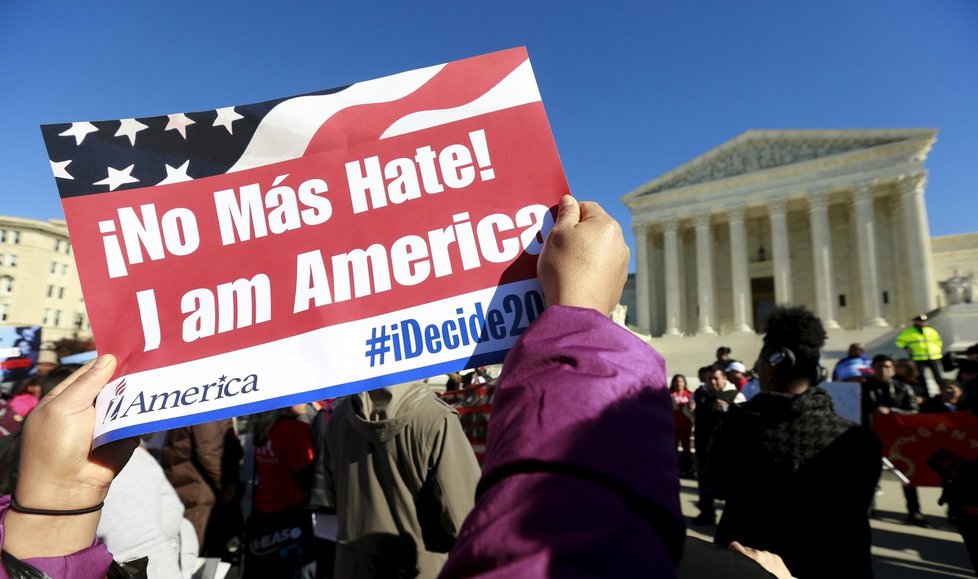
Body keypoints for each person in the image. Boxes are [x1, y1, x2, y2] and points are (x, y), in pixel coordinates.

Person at [0, 196, 790, 578]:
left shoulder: (345, 412)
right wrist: (582, 321)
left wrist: (53, 510)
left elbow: (321, 490)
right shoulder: (431, 420)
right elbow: (512, 529)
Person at [708, 306, 882, 578]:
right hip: (839, 564)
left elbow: (715, 484)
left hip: (749, 564)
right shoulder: (859, 439)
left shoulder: (739, 426)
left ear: (772, 367)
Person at [322, 378, 481, 578]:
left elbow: (333, 495)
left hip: (354, 564)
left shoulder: (338, 416)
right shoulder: (437, 418)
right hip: (419, 567)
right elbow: (466, 516)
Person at [245, 405, 317, 578]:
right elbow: (307, 476)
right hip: (292, 512)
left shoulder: (262, 428)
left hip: (265, 510)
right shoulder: (293, 430)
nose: (305, 403)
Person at [161, 418, 243, 553]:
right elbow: (208, 450)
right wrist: (226, 485)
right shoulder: (208, 407)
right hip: (200, 491)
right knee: (198, 554)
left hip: (196, 487)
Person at [692, 366, 745, 526]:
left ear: (724, 378)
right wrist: (690, 410)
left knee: (730, 482)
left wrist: (728, 409)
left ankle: (731, 521)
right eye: (709, 378)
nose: (712, 382)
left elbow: (745, 420)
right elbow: (692, 415)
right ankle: (706, 513)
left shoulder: (736, 395)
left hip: (726, 448)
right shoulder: (699, 393)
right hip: (703, 444)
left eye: (715, 378)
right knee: (703, 480)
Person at [895, 314, 945, 389]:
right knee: (920, 377)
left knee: (938, 377)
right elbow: (899, 341)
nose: (923, 323)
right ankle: (925, 394)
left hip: (933, 357)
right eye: (921, 321)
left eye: (924, 321)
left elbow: (938, 340)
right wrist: (906, 347)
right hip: (918, 358)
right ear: (915, 322)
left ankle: (943, 392)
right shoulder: (909, 332)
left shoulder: (930, 330)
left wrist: (938, 348)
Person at [669, 374, 695, 478]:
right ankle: (672, 469)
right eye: (676, 381)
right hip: (672, 426)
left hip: (685, 426)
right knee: (672, 448)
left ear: (684, 383)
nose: (678, 383)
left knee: (686, 448)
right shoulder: (668, 394)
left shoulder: (690, 395)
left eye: (681, 381)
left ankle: (687, 469)